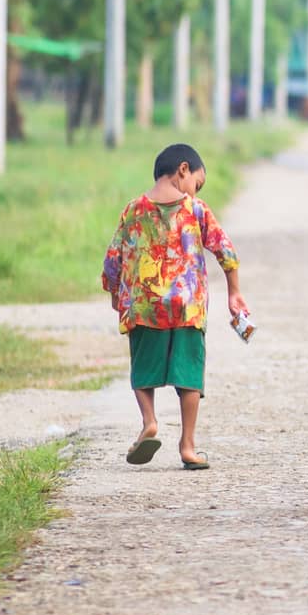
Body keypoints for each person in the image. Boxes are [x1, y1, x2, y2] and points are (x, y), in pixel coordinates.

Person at [102, 143, 249, 471]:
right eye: (197, 183)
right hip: (187, 307)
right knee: (189, 375)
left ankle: (150, 422)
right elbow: (225, 249)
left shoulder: (133, 210)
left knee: (143, 370)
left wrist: (117, 297)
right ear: (183, 170)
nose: (196, 190)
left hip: (145, 307)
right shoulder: (195, 210)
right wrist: (234, 292)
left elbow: (113, 260)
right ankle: (188, 446)